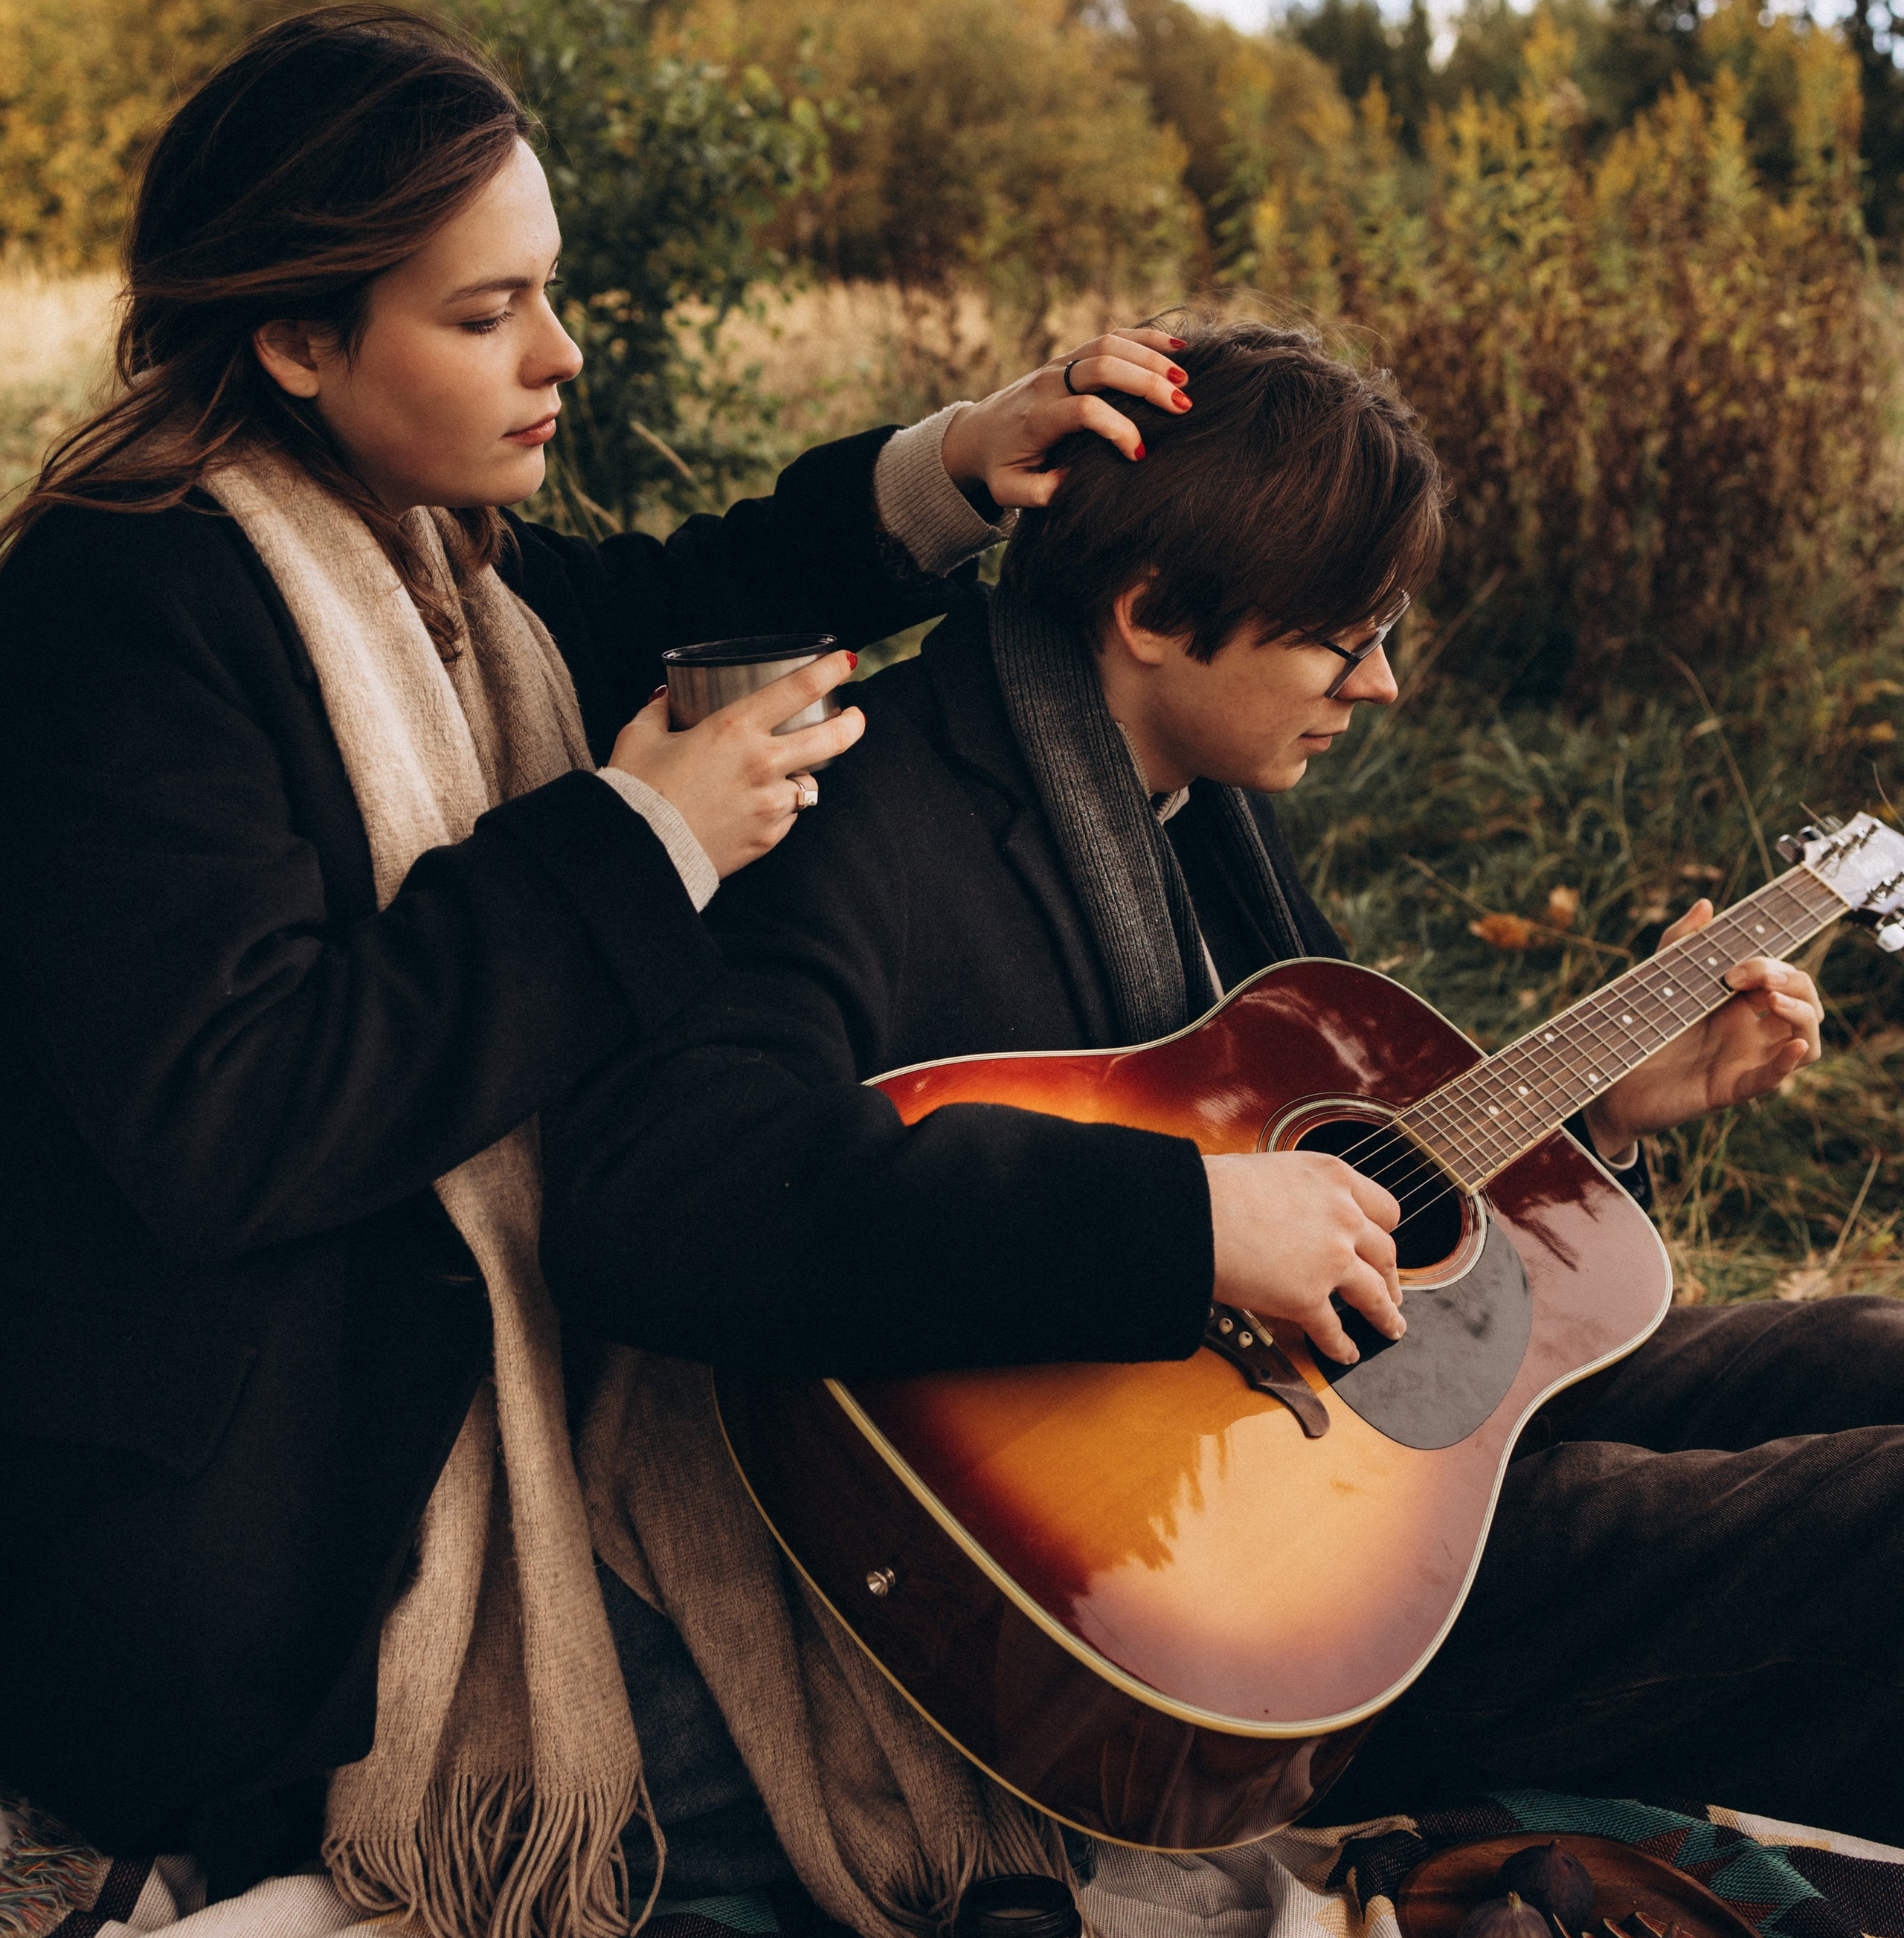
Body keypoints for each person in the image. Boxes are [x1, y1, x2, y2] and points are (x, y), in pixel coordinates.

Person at [0, 1, 1189, 1909]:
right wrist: (638, 848)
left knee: (936, 1678)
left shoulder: (432, 556)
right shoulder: (121, 603)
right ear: (298, 337)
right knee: (896, 1750)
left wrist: (966, 459)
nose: (557, 355)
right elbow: (232, 1117)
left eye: (547, 294)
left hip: (466, 1404)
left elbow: (656, 594)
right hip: (271, 1524)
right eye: (483, 317)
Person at [541, 319, 1897, 1854]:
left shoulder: (1194, 794)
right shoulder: (863, 816)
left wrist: (1598, 1118)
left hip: (1372, 1422)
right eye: (1343, 637)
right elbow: (658, 1193)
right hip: (1219, 1587)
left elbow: (1340, 1169)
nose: (1379, 685)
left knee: (1871, 1349)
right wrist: (1183, 1224)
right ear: (1150, 611)